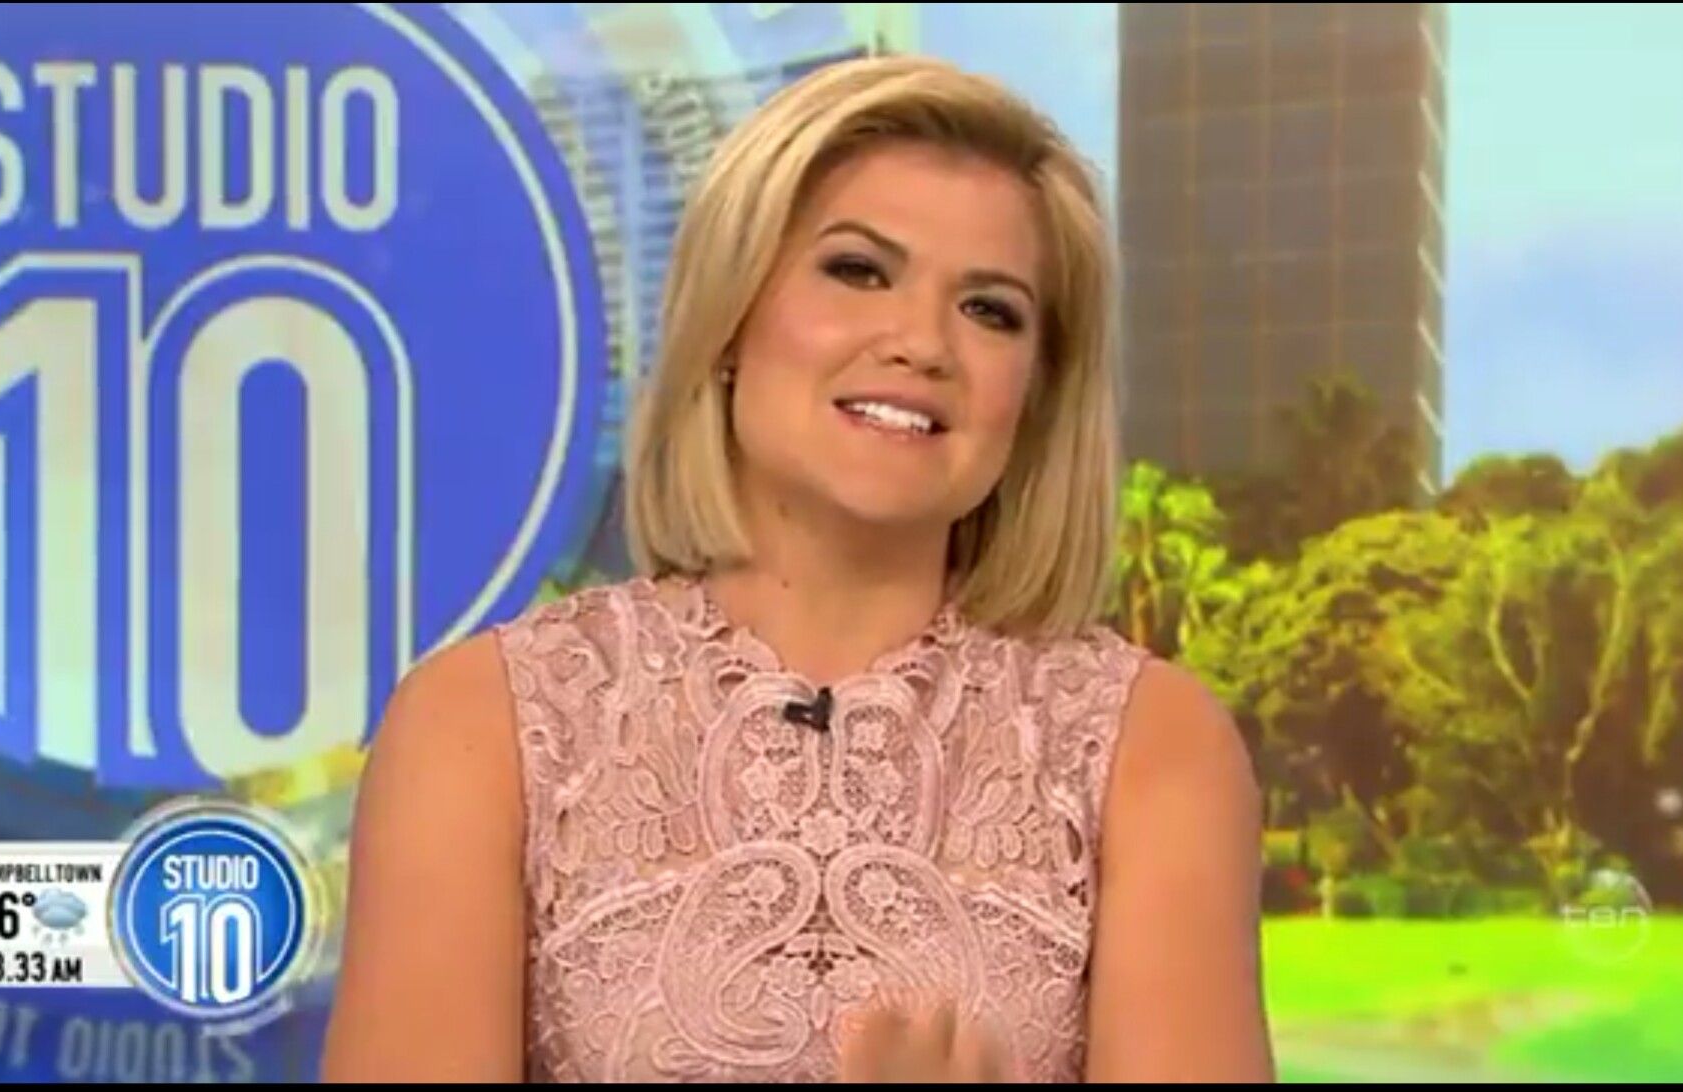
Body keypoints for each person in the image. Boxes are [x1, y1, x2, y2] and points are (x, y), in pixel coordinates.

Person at [321, 54, 1274, 1083]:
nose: (921, 343)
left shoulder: (1147, 747)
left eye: (989, 310)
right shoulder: (484, 724)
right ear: (731, 317)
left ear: (1036, 396)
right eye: (857, 270)